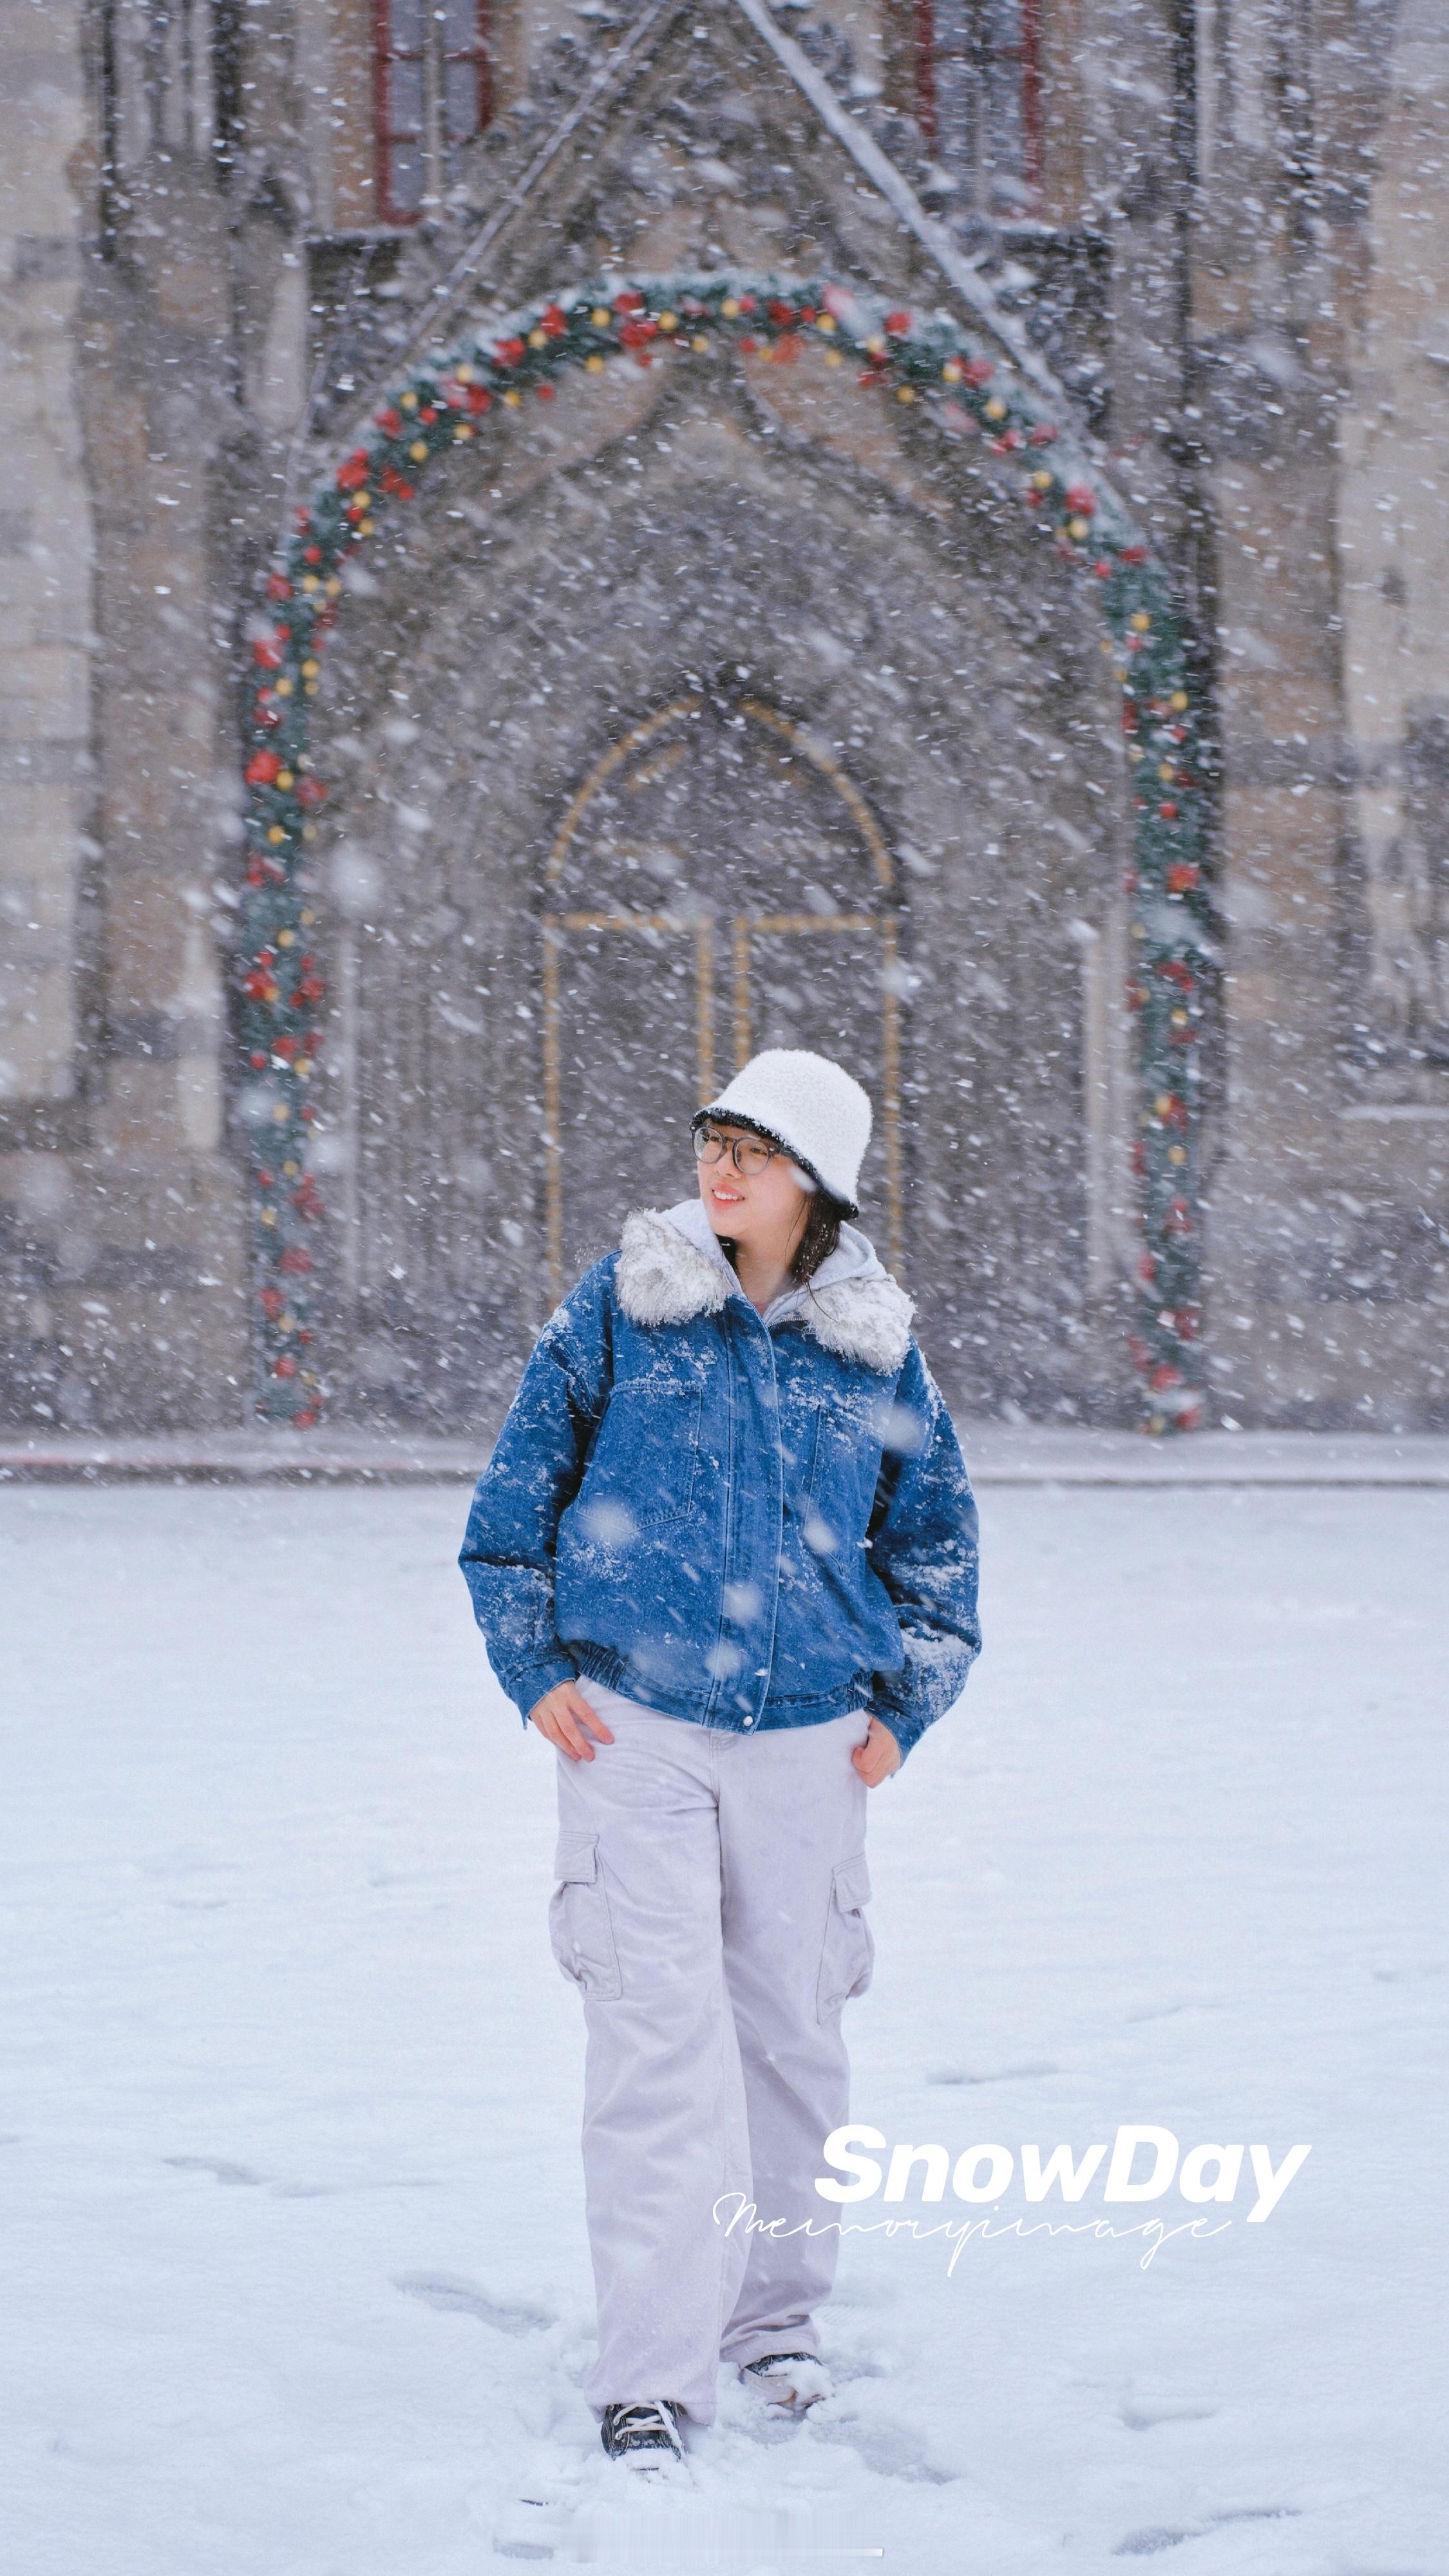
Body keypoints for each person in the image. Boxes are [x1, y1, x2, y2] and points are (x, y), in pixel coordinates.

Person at [459, 1047, 980, 2477]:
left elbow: (938, 1544)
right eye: (713, 1141)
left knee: (791, 2043)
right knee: (657, 2047)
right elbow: (510, 1510)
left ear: (814, 1181)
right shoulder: (625, 1310)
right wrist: (537, 1665)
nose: (719, 1168)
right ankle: (652, 2374)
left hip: (815, 1739)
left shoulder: (874, 1343)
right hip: (636, 1730)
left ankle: (775, 2325)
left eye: (753, 1149)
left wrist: (907, 1699)